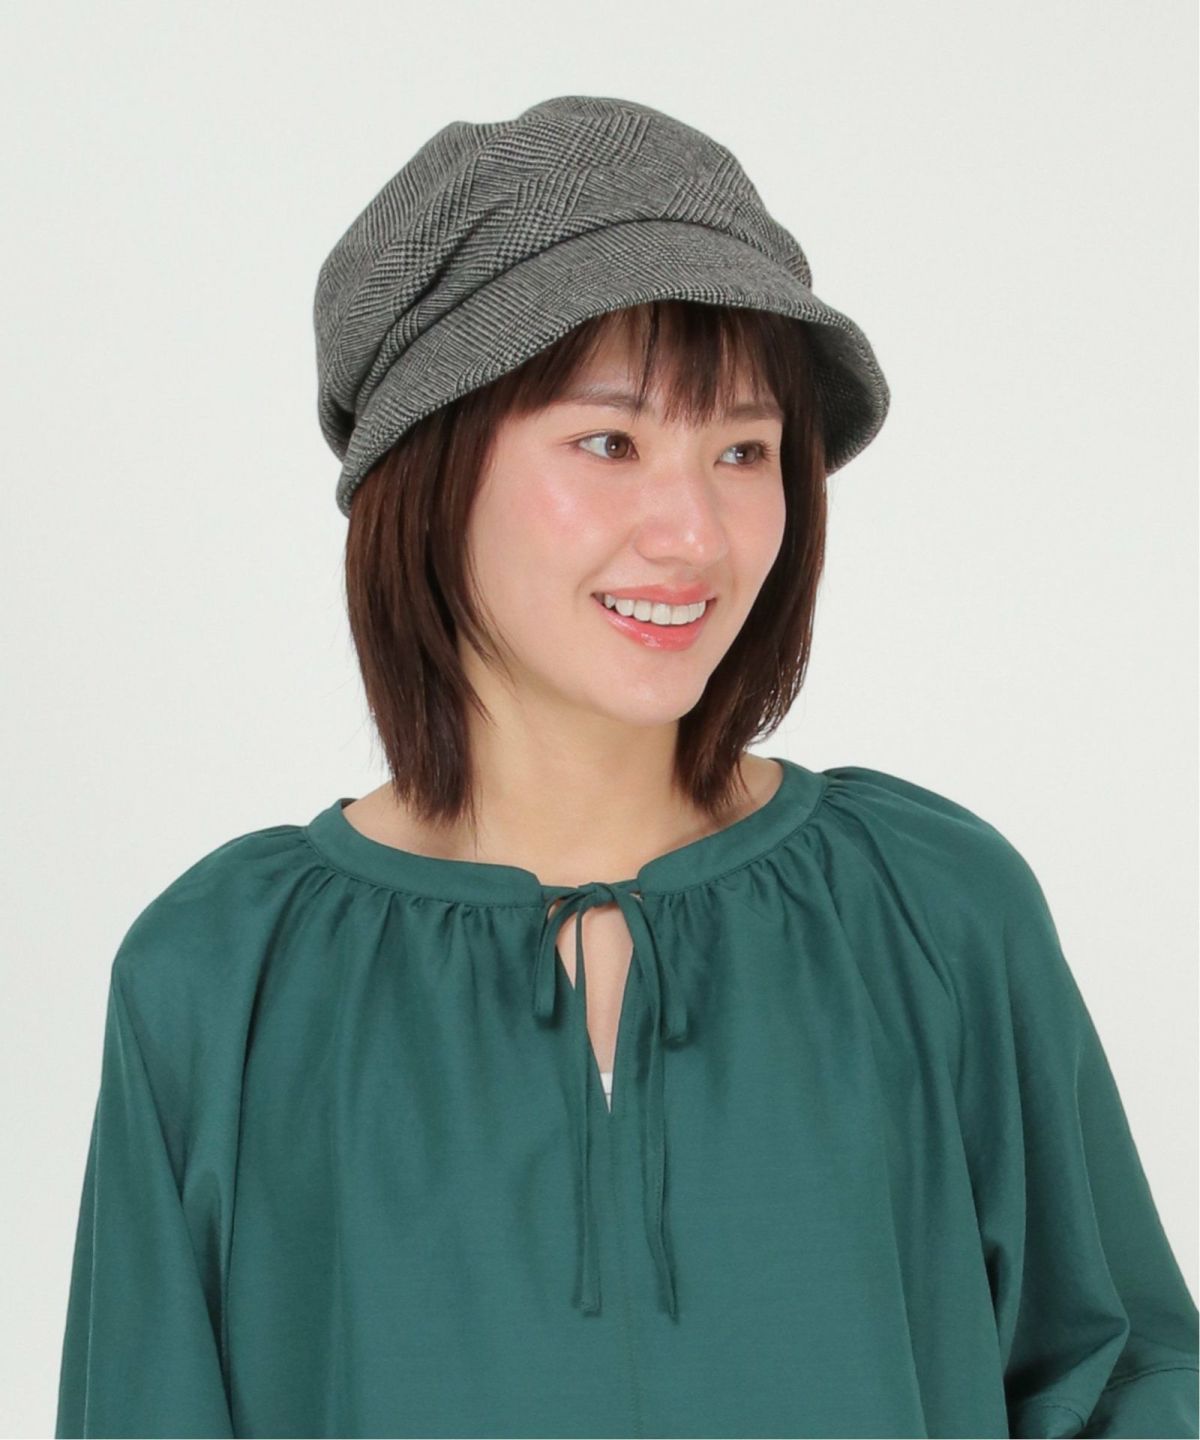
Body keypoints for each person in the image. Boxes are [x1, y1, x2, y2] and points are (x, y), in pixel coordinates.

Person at [55, 96, 1199, 1439]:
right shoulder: (223, 983)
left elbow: (1118, 1381)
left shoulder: (931, 913)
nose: (695, 532)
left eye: (743, 450)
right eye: (610, 442)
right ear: (431, 468)